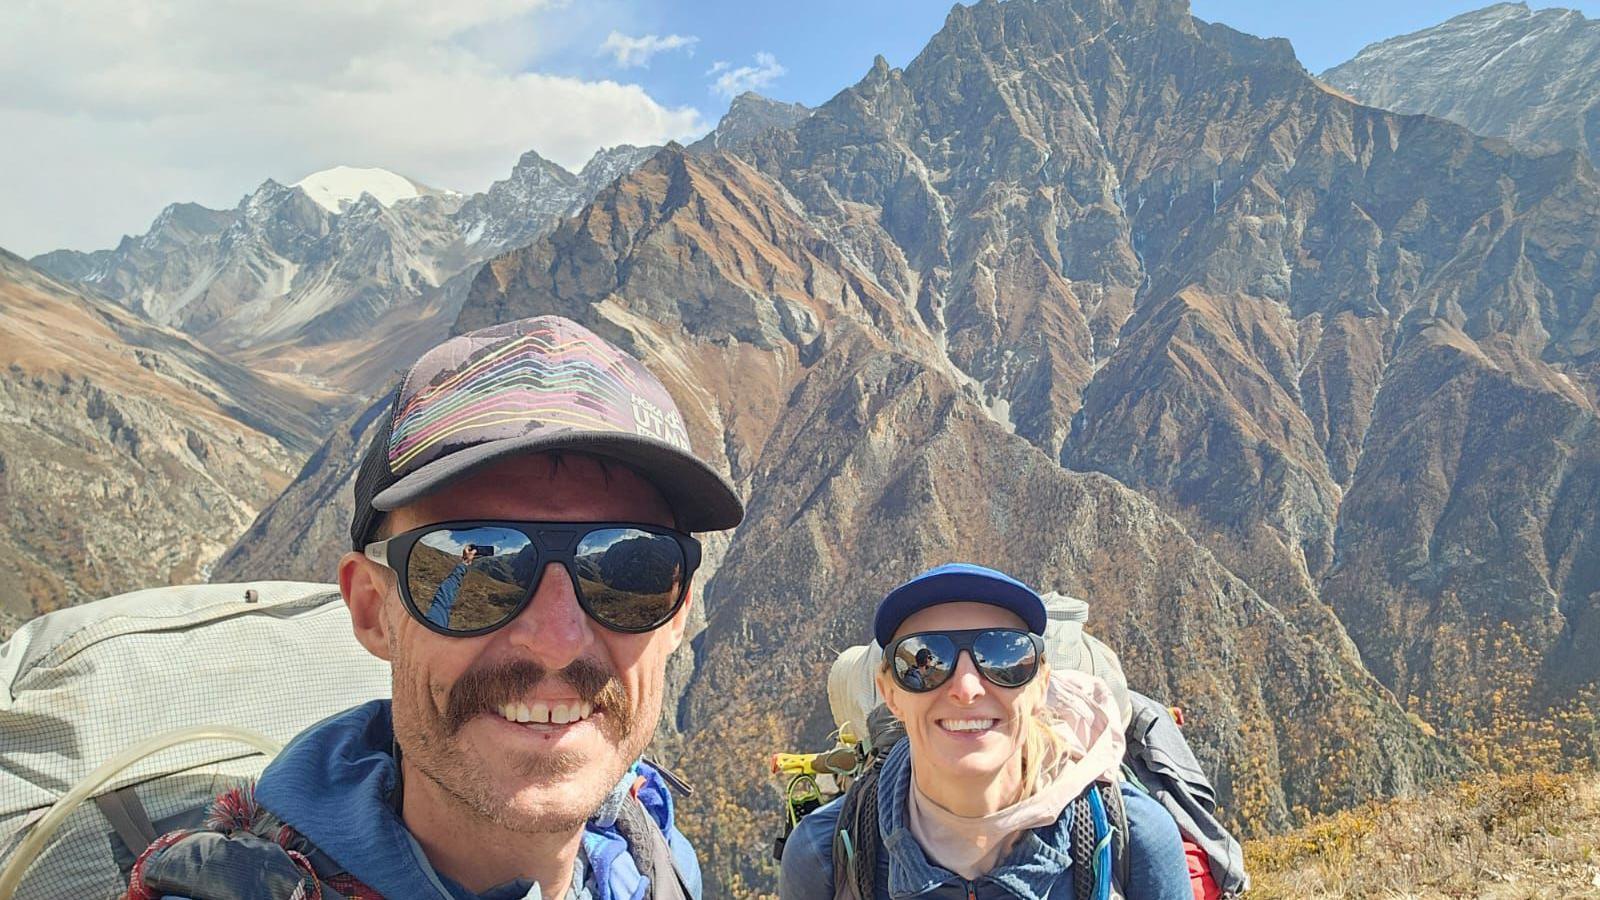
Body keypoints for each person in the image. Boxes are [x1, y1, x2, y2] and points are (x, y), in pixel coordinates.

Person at [126, 316, 744, 900]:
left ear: (678, 611)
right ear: (373, 610)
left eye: (626, 569)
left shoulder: (650, 850)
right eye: (463, 562)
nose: (557, 639)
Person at [779, 563, 1192, 900]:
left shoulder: (1134, 842)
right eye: (926, 663)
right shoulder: (824, 857)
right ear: (891, 694)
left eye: (1001, 656)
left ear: (1041, 685)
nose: (965, 688)